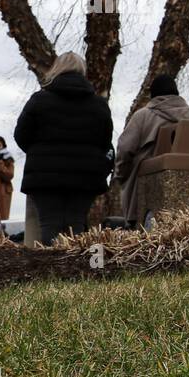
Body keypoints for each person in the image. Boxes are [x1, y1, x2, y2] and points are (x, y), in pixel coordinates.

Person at [13, 51, 114, 244]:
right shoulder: (98, 105)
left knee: (49, 225)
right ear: (83, 71)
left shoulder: (39, 100)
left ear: (56, 70)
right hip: (85, 176)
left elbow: (21, 135)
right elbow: (105, 141)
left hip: (45, 175)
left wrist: (39, 153)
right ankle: (74, 269)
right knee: (76, 225)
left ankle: (51, 269)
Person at [115, 75, 189, 226]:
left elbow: (125, 149)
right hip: (182, 191)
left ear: (153, 94)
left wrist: (121, 175)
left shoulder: (143, 116)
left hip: (142, 191)